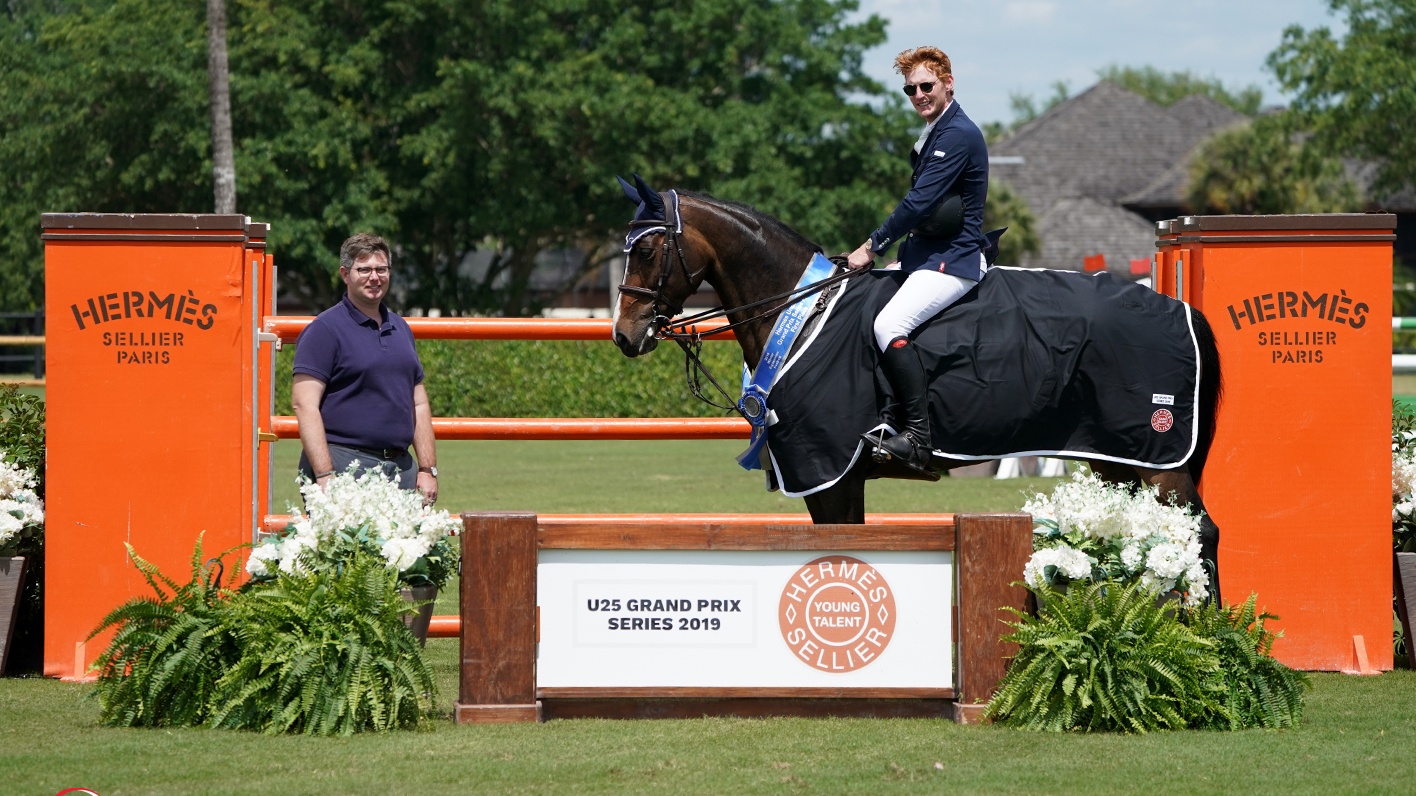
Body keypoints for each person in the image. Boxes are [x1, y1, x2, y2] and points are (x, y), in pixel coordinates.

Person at [847, 46, 989, 477]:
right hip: (925, 257)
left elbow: (920, 203)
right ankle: (884, 417)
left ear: (948, 83)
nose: (919, 95)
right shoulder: (934, 132)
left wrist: (872, 245)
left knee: (888, 326)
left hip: (954, 260)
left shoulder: (957, 135)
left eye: (927, 85)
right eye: (910, 89)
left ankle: (919, 440)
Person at [291, 233, 439, 505]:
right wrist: (324, 476)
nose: (374, 277)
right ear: (345, 274)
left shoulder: (401, 328)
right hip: (345, 465)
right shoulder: (324, 330)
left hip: (400, 469)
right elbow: (304, 405)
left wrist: (427, 469)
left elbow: (418, 403)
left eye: (381, 269)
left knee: (403, 548)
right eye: (364, 269)